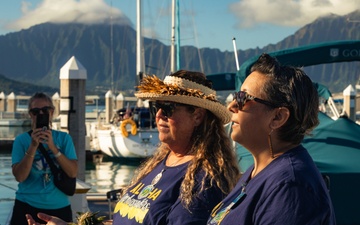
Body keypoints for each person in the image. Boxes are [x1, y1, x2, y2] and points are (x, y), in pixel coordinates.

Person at [26, 70, 241, 225]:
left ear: (197, 115)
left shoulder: (205, 182)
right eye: (157, 106)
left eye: (168, 108)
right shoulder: (159, 164)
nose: (158, 115)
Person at [207, 53, 336, 225]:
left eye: (243, 98)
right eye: (236, 95)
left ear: (278, 117)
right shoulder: (258, 172)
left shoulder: (290, 187)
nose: (232, 105)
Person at [11, 92, 78, 225]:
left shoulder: (64, 139)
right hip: (27, 205)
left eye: (45, 110)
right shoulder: (21, 140)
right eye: (36, 111)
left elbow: (73, 172)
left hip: (59, 207)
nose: (41, 114)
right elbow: (20, 177)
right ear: (31, 115)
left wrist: (53, 148)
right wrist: (33, 146)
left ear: (52, 112)